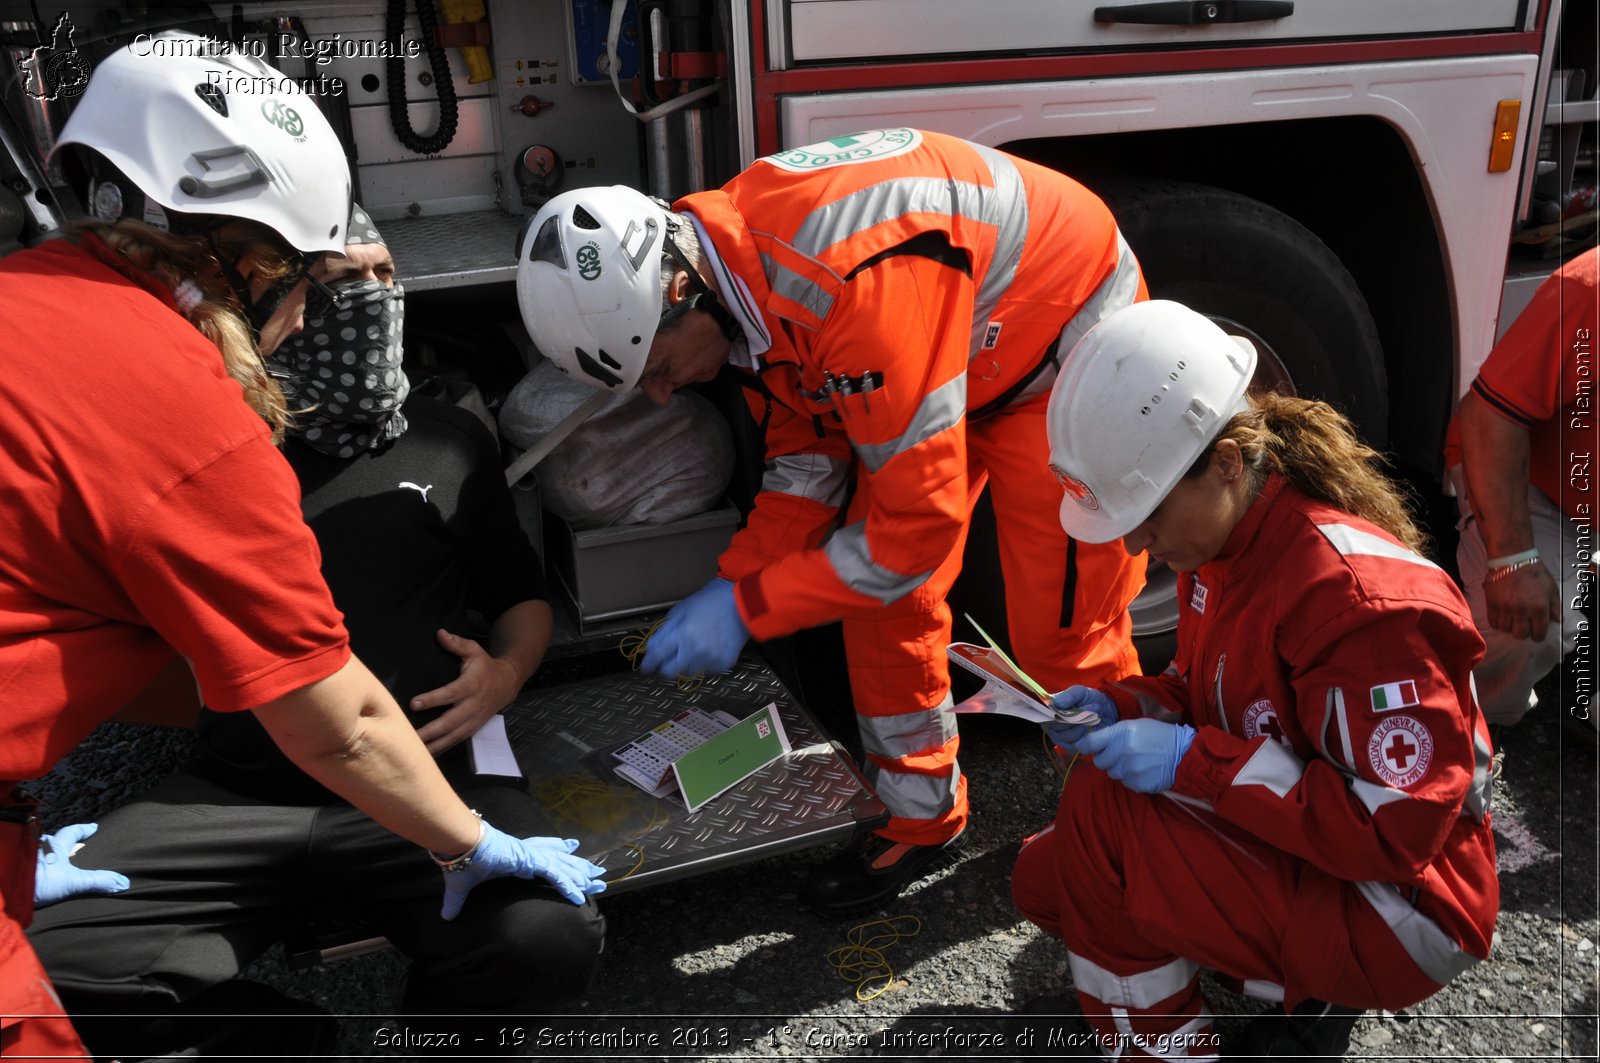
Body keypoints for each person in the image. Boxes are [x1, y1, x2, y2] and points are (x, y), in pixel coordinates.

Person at [0, 37, 602, 1058]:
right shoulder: (188, 413)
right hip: (252, 786)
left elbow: (105, 646)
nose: (324, 319)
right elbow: (338, 718)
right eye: (316, 285)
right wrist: (466, 844)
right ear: (250, 265)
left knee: (544, 930)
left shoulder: (30, 309)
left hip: (399, 772)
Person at [515, 128, 1148, 914]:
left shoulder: (848, 283)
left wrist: (749, 607)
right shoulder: (739, 279)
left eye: (661, 368)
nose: (661, 395)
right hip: (950, 353)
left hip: (1058, 345)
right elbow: (808, 461)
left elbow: (917, 530)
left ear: (680, 294)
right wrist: (737, 579)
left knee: (1065, 631)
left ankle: (1131, 841)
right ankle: (922, 815)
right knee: (877, 596)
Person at [1010, 301, 1498, 1059]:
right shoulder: (1233, 542)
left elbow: (1390, 833)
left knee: (1103, 826)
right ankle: (1277, 988)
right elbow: (1207, 692)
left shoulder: (1358, 603)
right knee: (1050, 876)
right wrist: (1119, 704)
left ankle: (1165, 1046)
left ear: (1228, 463)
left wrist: (1188, 761)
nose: (1137, 540)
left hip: (1408, 907)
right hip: (1336, 851)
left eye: (1148, 512)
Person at [1443, 246, 1597, 730]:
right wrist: (1513, 561)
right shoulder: (1591, 291)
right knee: (1534, 627)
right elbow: (1491, 415)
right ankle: (1470, 725)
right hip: (1533, 482)